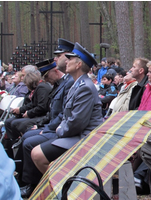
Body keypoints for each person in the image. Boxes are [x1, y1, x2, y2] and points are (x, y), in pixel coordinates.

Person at [30, 43, 103, 195]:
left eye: (70, 59)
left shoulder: (85, 87)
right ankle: (63, 188)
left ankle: (65, 190)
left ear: (78, 64)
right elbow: (67, 115)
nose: (66, 61)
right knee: (36, 152)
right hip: (74, 134)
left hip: (84, 138)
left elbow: (77, 123)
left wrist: (59, 130)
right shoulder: (77, 84)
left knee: (37, 154)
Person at [5, 71, 52, 141]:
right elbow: (33, 104)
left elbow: (42, 107)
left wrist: (28, 113)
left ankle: (18, 142)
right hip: (36, 114)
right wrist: (21, 109)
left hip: (42, 116)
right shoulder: (38, 88)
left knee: (16, 123)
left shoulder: (42, 88)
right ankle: (13, 143)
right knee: (8, 122)